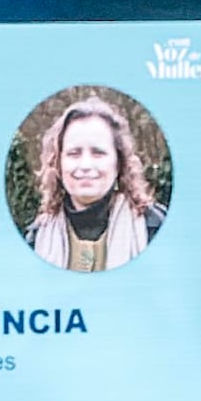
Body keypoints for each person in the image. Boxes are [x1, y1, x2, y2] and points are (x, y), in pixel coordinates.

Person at [24, 88, 156, 270]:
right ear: (58, 163)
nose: (85, 165)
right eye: (74, 153)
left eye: (98, 153)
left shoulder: (154, 228)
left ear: (118, 162)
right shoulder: (35, 238)